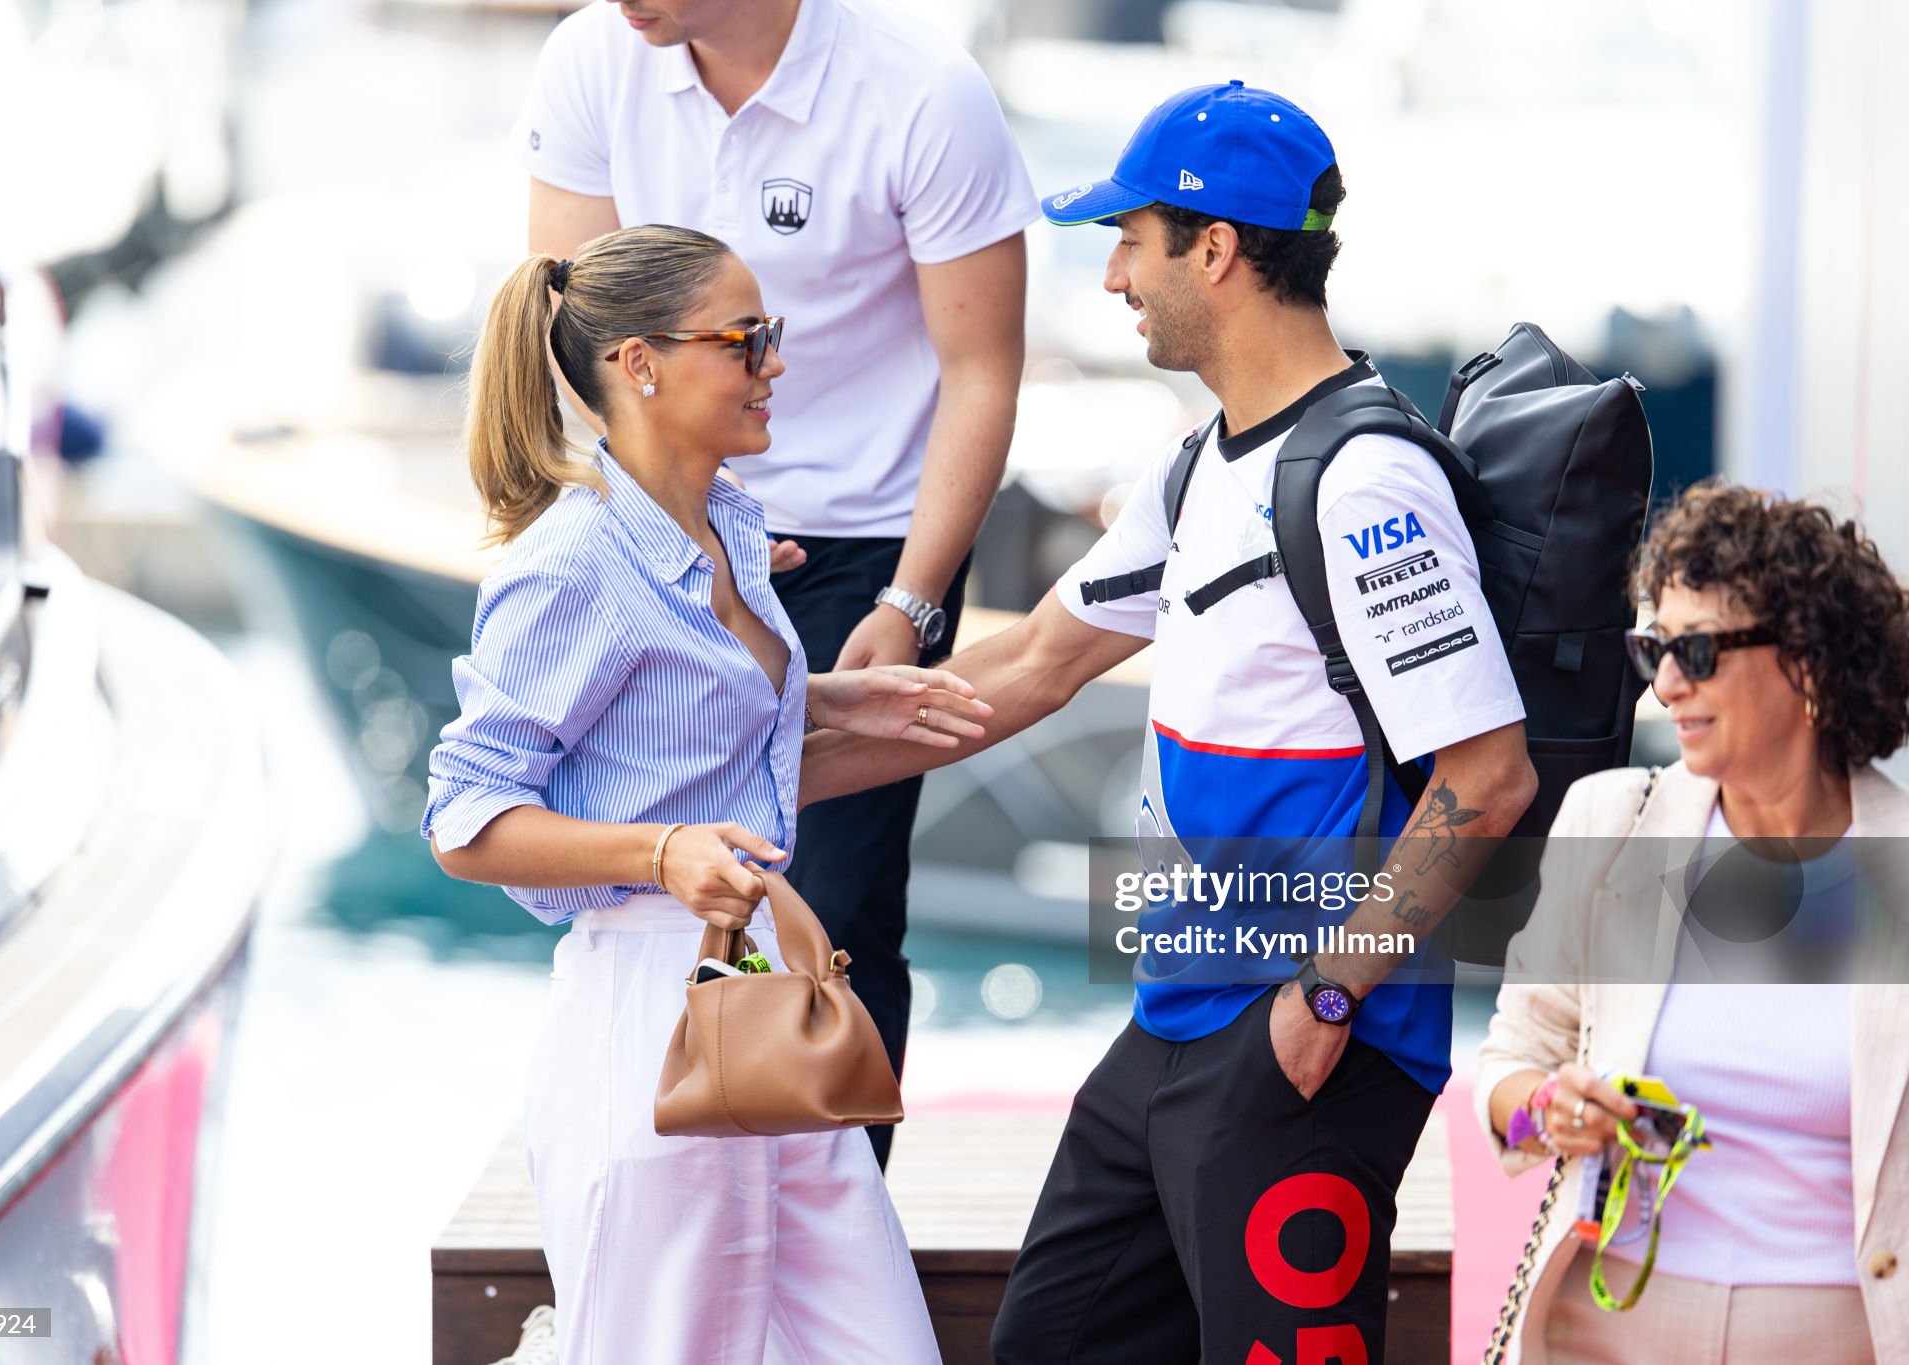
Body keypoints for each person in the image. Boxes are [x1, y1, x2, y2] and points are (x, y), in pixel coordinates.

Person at [803, 82, 1537, 1363]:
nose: (1110, 281)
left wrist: (1322, 998)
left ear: (1214, 247)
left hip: (1308, 1036)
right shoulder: (1203, 461)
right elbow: (1029, 665)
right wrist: (741, 782)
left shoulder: (1365, 482)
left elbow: (1485, 775)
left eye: (1128, 242)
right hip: (1175, 1019)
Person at [422, 227, 993, 1364]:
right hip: (645, 1019)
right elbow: (463, 818)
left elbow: (685, 727)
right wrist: (660, 852)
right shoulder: (569, 563)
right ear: (638, 364)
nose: (773, 361)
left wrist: (826, 702)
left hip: (765, 995)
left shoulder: (729, 519)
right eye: (745, 340)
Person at [514, 0, 1037, 1165]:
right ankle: (677, 1202)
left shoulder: (920, 89)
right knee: (644, 904)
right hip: (663, 533)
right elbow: (571, 347)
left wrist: (907, 603)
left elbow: (982, 373)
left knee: (835, 911)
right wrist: (675, 543)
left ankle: (826, 1223)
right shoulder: (590, 58)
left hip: (861, 556)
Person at [1476, 484, 1909, 1364]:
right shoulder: (1612, 822)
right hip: (1604, 1331)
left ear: (1811, 661)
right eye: (1655, 649)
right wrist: (1547, 1111)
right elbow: (1508, 1069)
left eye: (1699, 651)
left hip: (1846, 1338)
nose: (1667, 684)